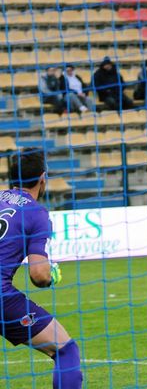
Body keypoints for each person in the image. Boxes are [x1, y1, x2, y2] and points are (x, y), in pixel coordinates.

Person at [1, 148, 82, 388]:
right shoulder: (37, 213)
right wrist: (50, 276)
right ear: (42, 178)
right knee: (66, 350)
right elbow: (38, 274)